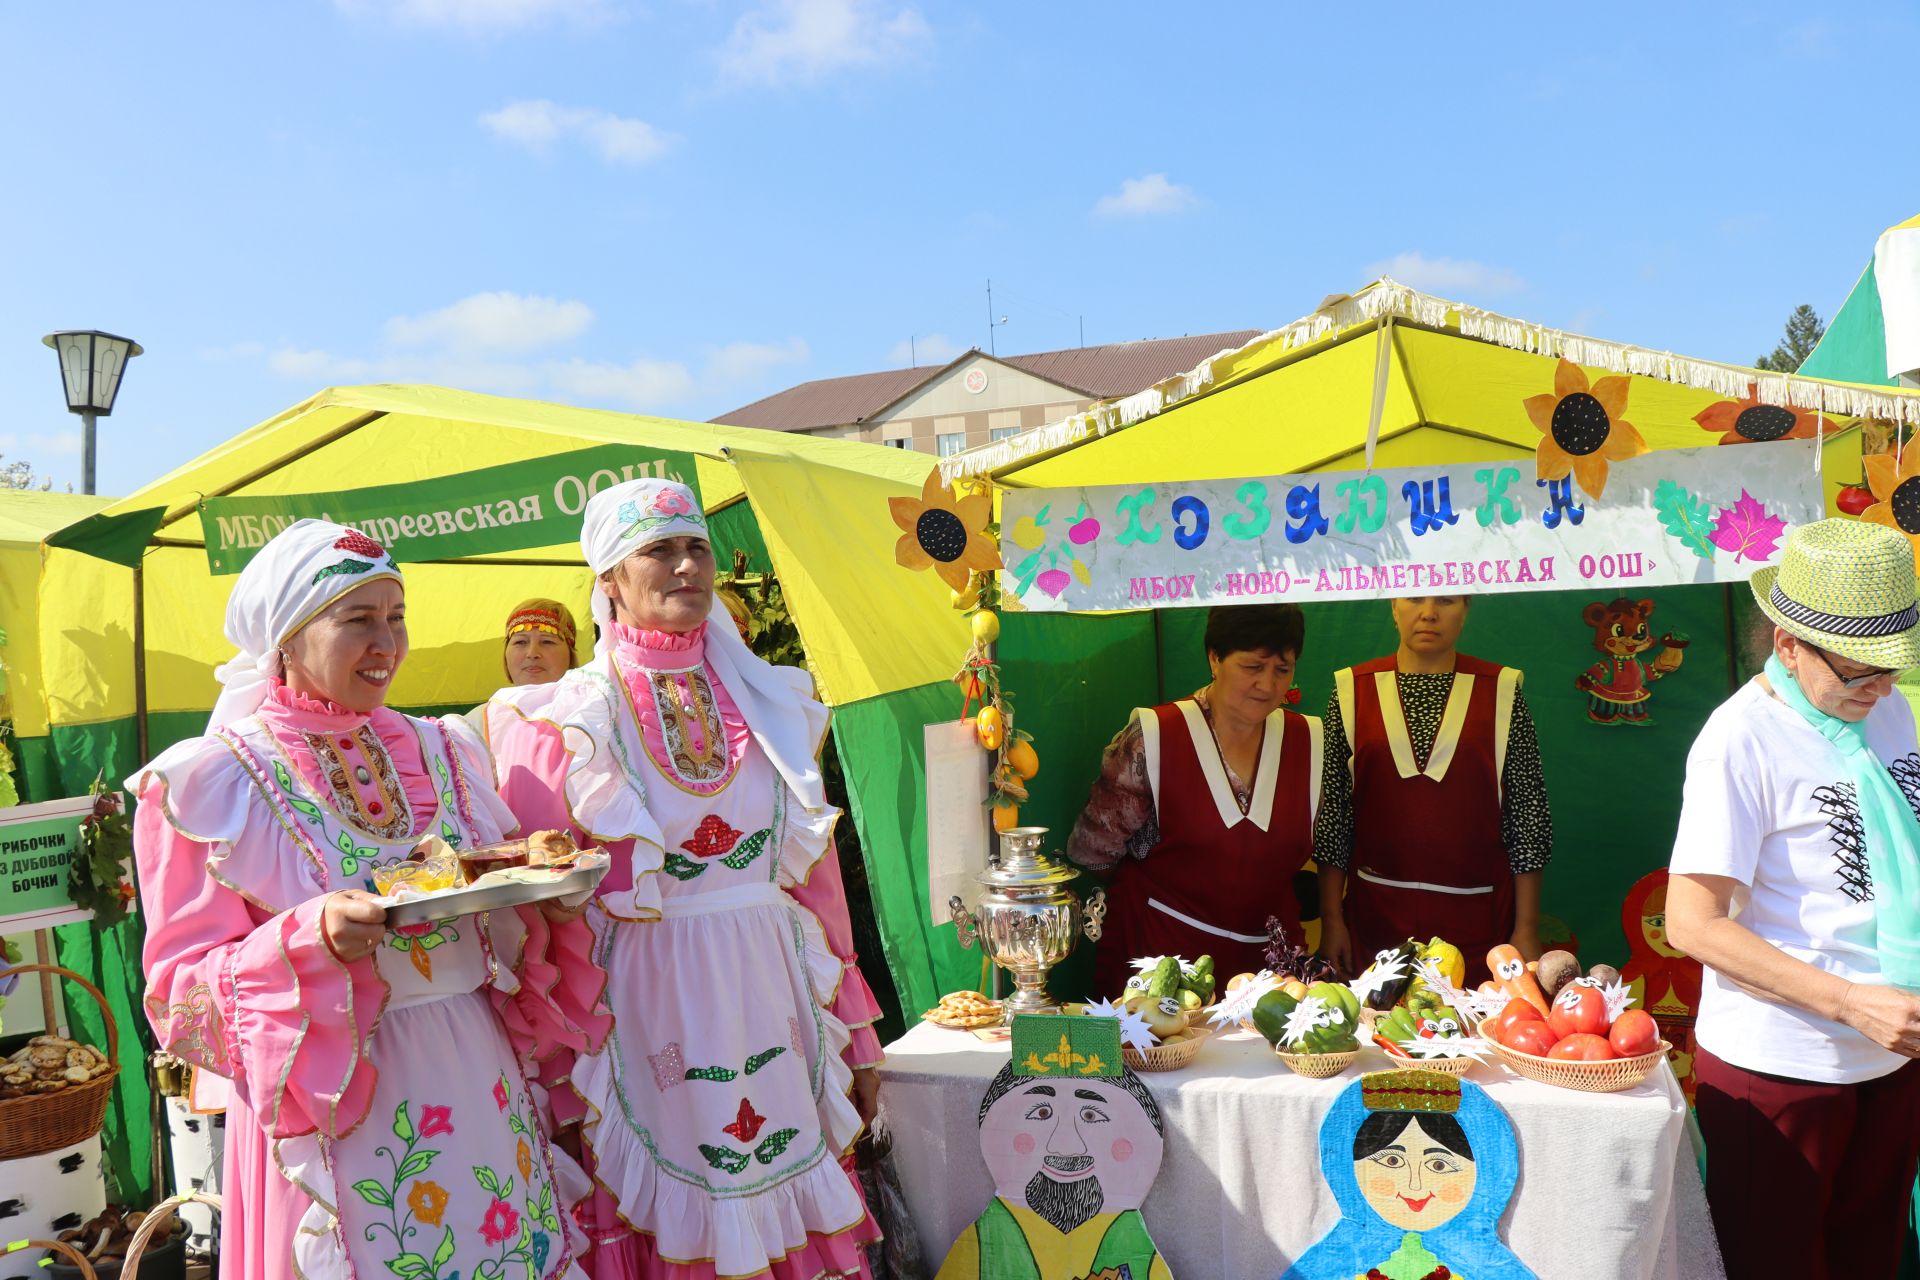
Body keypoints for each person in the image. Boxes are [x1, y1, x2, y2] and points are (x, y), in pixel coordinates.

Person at [128, 521, 609, 1280]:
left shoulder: (445, 749)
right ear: (285, 638)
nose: (387, 643)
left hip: (475, 1073)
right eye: (357, 620)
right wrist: (303, 939)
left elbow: (494, 915)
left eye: (396, 616)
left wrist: (544, 909)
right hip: (337, 1099)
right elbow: (181, 1003)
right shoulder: (209, 782)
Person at [485, 479, 885, 1280]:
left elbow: (813, 887)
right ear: (609, 581)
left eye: (696, 546)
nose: (685, 565)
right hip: (643, 1009)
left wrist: (860, 1036)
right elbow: (537, 920)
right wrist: (561, 1079)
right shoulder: (561, 720)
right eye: (658, 550)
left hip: (774, 1000)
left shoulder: (769, 700)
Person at [1666, 518, 1920, 1277]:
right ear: (1787, 645)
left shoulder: (1889, 709)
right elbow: (1693, 923)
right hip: (1783, 1066)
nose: (1877, 689)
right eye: (1857, 673)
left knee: (1868, 1258)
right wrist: (1848, 1001)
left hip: (1894, 1053)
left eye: (1892, 669)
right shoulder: (1737, 740)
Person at [1066, 604, 1321, 995]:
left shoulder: (1308, 742)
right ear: (1214, 658)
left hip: (1268, 971)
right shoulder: (1154, 736)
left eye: (1282, 670)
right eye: (1253, 667)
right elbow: (1093, 851)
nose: (1268, 685)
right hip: (1159, 962)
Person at [1314, 596, 1551, 985]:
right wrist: (1332, 920)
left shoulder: (1502, 691)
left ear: (1466, 608)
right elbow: (1334, 821)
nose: (1428, 612)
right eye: (1413, 598)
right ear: (1393, 606)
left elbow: (1528, 817)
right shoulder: (1351, 690)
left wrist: (1525, 928)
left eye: (1445, 600)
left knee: (1471, 1036)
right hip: (1374, 918)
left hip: (1479, 920)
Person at [1280, 1069, 1533, 1280]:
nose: (1415, 1187)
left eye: (1439, 1166)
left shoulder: (1491, 1267)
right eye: (1392, 1160)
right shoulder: (1331, 1262)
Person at [503, 597, 579, 687]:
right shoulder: (497, 700)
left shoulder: (593, 700)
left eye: (547, 642)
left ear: (571, 655)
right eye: (520, 642)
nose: (532, 653)